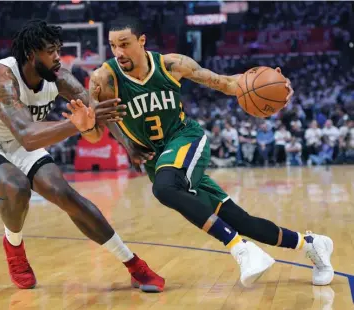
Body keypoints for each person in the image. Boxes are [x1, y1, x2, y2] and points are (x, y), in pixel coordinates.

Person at [67, 16, 334, 287]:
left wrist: (274, 83)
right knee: (243, 221)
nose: (118, 52)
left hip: (186, 139)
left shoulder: (171, 64)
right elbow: (96, 133)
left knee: (164, 188)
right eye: (113, 46)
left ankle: (242, 249)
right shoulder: (104, 78)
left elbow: (225, 83)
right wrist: (88, 128)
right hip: (159, 160)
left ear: (142, 41)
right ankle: (312, 243)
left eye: (124, 44)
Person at [0, 20, 164, 292]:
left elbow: (95, 109)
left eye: (58, 50)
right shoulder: (0, 77)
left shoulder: (60, 77)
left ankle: (134, 264)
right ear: (31, 54)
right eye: (50, 51)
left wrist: (128, 145)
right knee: (17, 187)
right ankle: (14, 246)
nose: (58, 57)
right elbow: (27, 135)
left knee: (64, 194)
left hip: (17, 140)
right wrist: (75, 124)